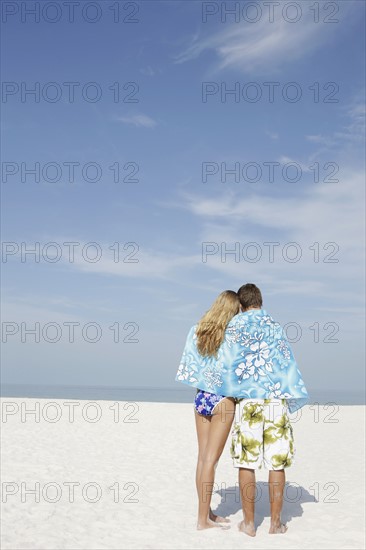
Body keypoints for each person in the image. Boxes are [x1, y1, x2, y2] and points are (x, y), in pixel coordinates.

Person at [176, 283, 309, 536]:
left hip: (214, 399)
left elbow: (208, 364)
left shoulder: (208, 330)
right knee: (274, 463)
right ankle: (273, 524)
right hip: (251, 401)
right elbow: (280, 363)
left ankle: (226, 520)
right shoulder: (265, 329)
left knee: (218, 460)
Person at [176, 290, 240, 530]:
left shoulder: (196, 331)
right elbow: (239, 372)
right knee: (211, 462)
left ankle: (207, 513)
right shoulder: (234, 336)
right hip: (223, 399)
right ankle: (203, 521)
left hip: (201, 397)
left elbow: (189, 368)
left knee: (202, 459)